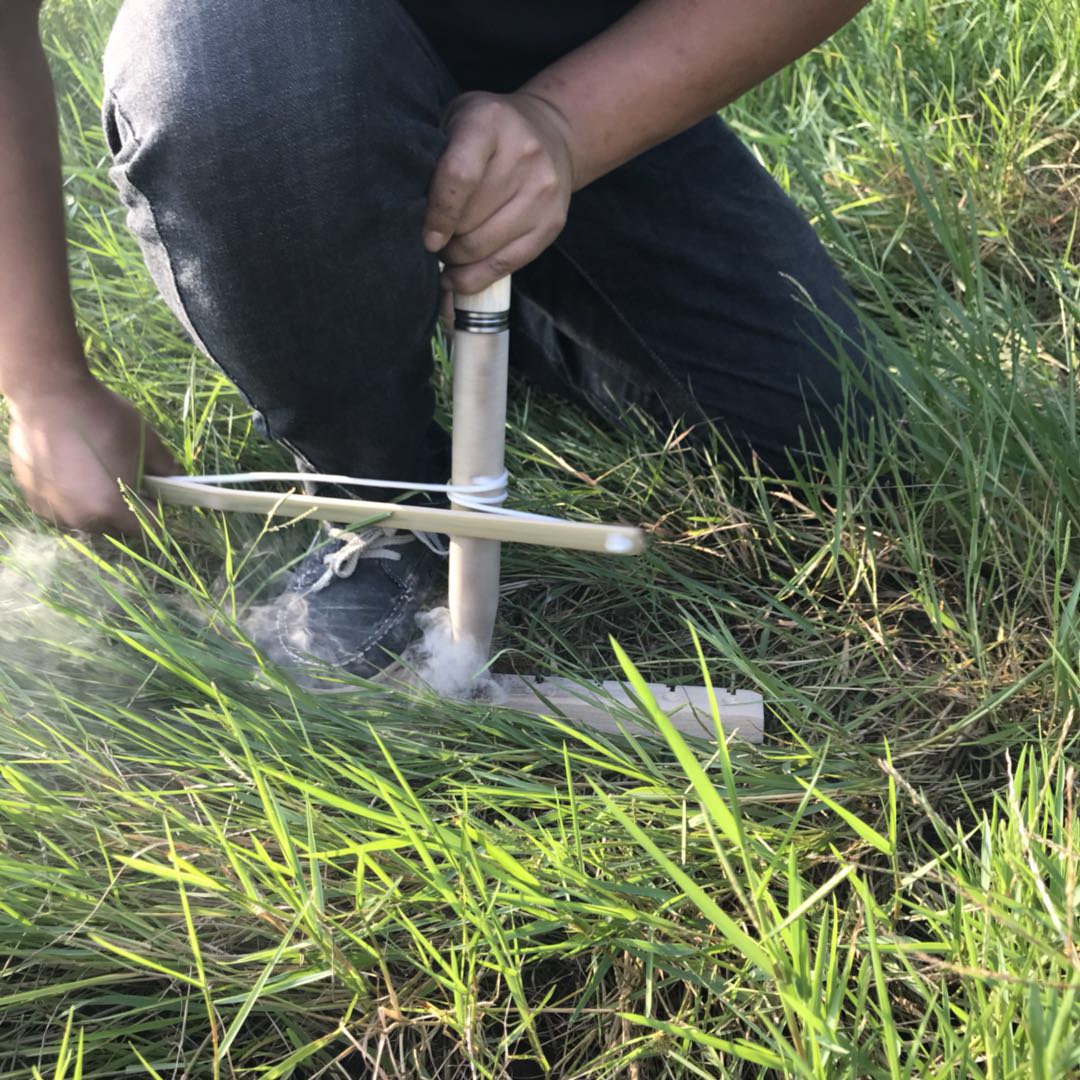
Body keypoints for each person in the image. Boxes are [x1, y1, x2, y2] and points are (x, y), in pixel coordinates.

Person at [1, 0, 872, 679]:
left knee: (814, 426)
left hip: (590, 63)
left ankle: (471, 287)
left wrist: (565, 130)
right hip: (265, 65)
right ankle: (380, 500)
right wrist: (43, 382)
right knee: (234, 69)